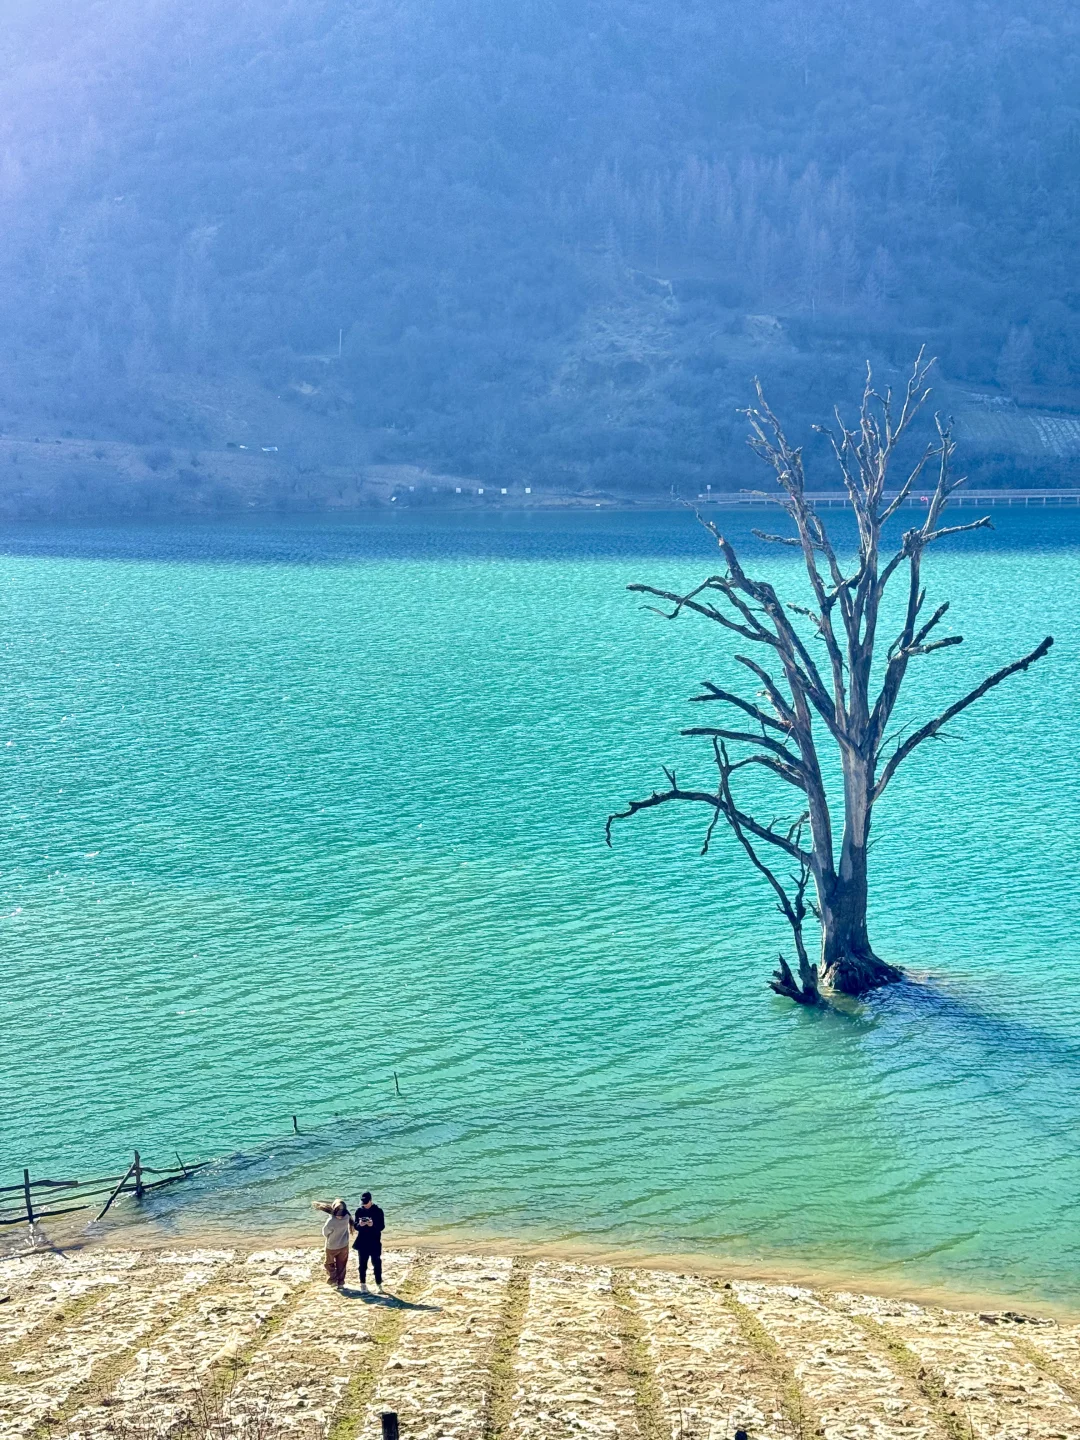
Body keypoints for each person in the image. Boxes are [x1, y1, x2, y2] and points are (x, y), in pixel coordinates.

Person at [312, 1197, 351, 1287]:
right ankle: (341, 1282)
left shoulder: (331, 1221)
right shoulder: (347, 1217)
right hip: (344, 1246)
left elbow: (325, 1233)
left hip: (331, 1247)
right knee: (342, 1265)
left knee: (328, 1264)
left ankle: (333, 1279)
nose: (339, 1216)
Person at [352, 1190, 386, 1290]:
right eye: (363, 1203)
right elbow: (355, 1226)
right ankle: (363, 1284)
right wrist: (360, 1225)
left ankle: (379, 1284)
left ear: (371, 1200)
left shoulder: (378, 1211)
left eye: (366, 1203)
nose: (364, 1205)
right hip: (362, 1241)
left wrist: (372, 1225)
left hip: (375, 1241)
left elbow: (382, 1226)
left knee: (377, 1263)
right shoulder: (359, 1211)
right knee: (362, 1264)